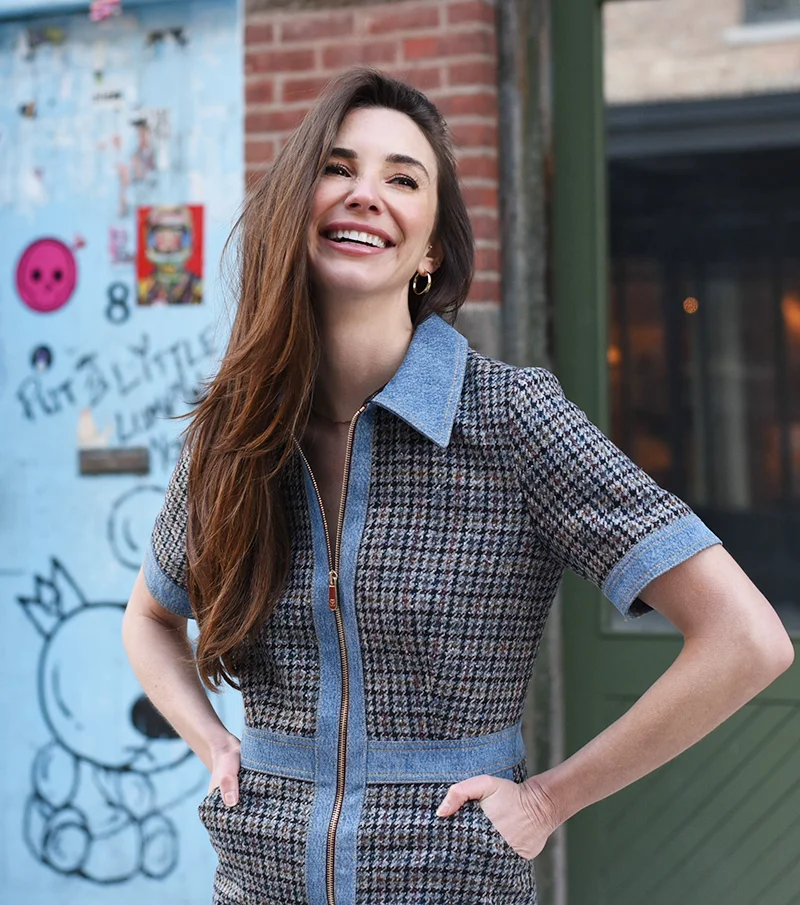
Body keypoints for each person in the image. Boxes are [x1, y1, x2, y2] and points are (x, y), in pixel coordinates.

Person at [122, 67, 794, 905]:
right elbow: (150, 619)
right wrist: (218, 745)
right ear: (295, 205)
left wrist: (549, 799)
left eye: (403, 179)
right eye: (338, 168)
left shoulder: (509, 419)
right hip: (257, 885)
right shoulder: (238, 430)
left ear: (432, 249)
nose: (366, 193)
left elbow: (747, 638)